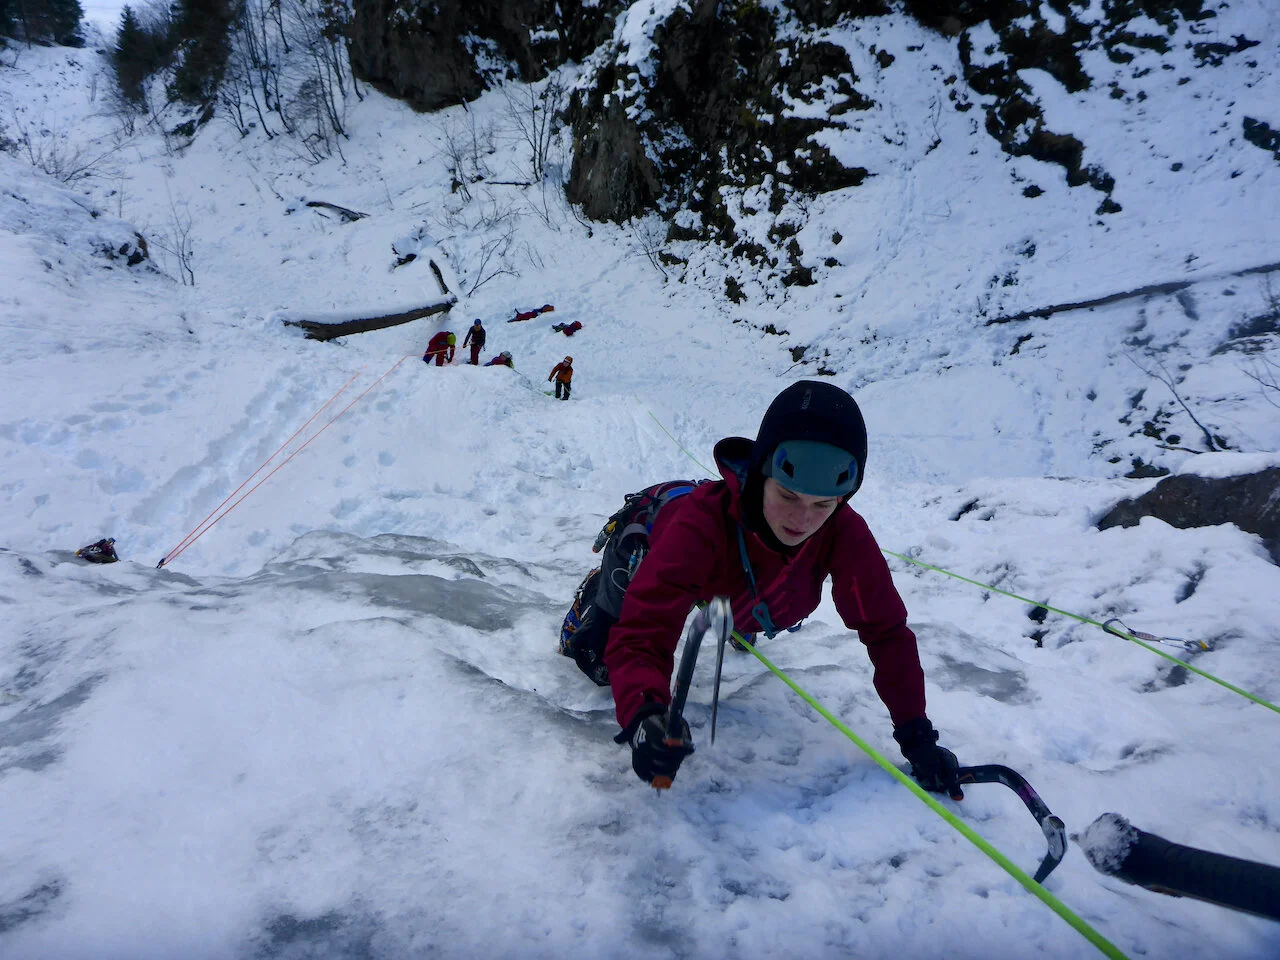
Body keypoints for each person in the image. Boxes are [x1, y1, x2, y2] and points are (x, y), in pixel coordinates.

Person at [567, 380, 961, 796]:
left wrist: (917, 735)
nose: (802, 520)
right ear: (761, 475)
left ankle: (739, 612)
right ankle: (599, 593)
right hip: (650, 537)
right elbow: (645, 631)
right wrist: (646, 713)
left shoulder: (843, 531)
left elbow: (885, 630)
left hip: (734, 586)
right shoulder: (701, 522)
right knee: (599, 662)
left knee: (751, 608)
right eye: (788, 496)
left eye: (822, 504)